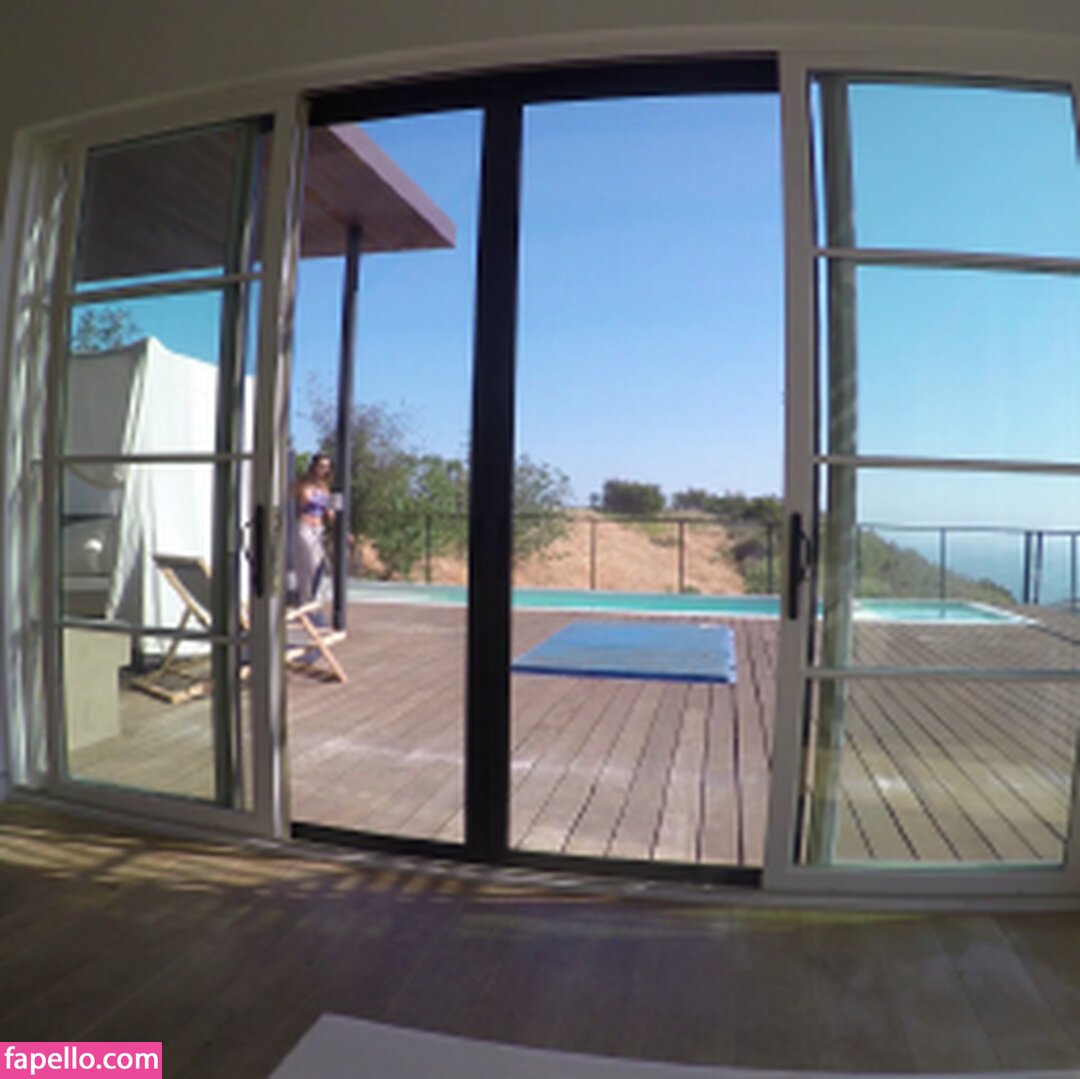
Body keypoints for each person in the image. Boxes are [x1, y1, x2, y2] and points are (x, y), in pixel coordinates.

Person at [293, 453, 336, 603]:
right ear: (314, 466)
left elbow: (329, 511)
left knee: (317, 563)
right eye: (321, 466)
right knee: (307, 562)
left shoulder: (325, 487)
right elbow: (296, 495)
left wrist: (341, 529)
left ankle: (309, 596)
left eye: (327, 467)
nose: (324, 470)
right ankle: (304, 596)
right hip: (304, 525)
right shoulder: (304, 483)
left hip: (318, 528)